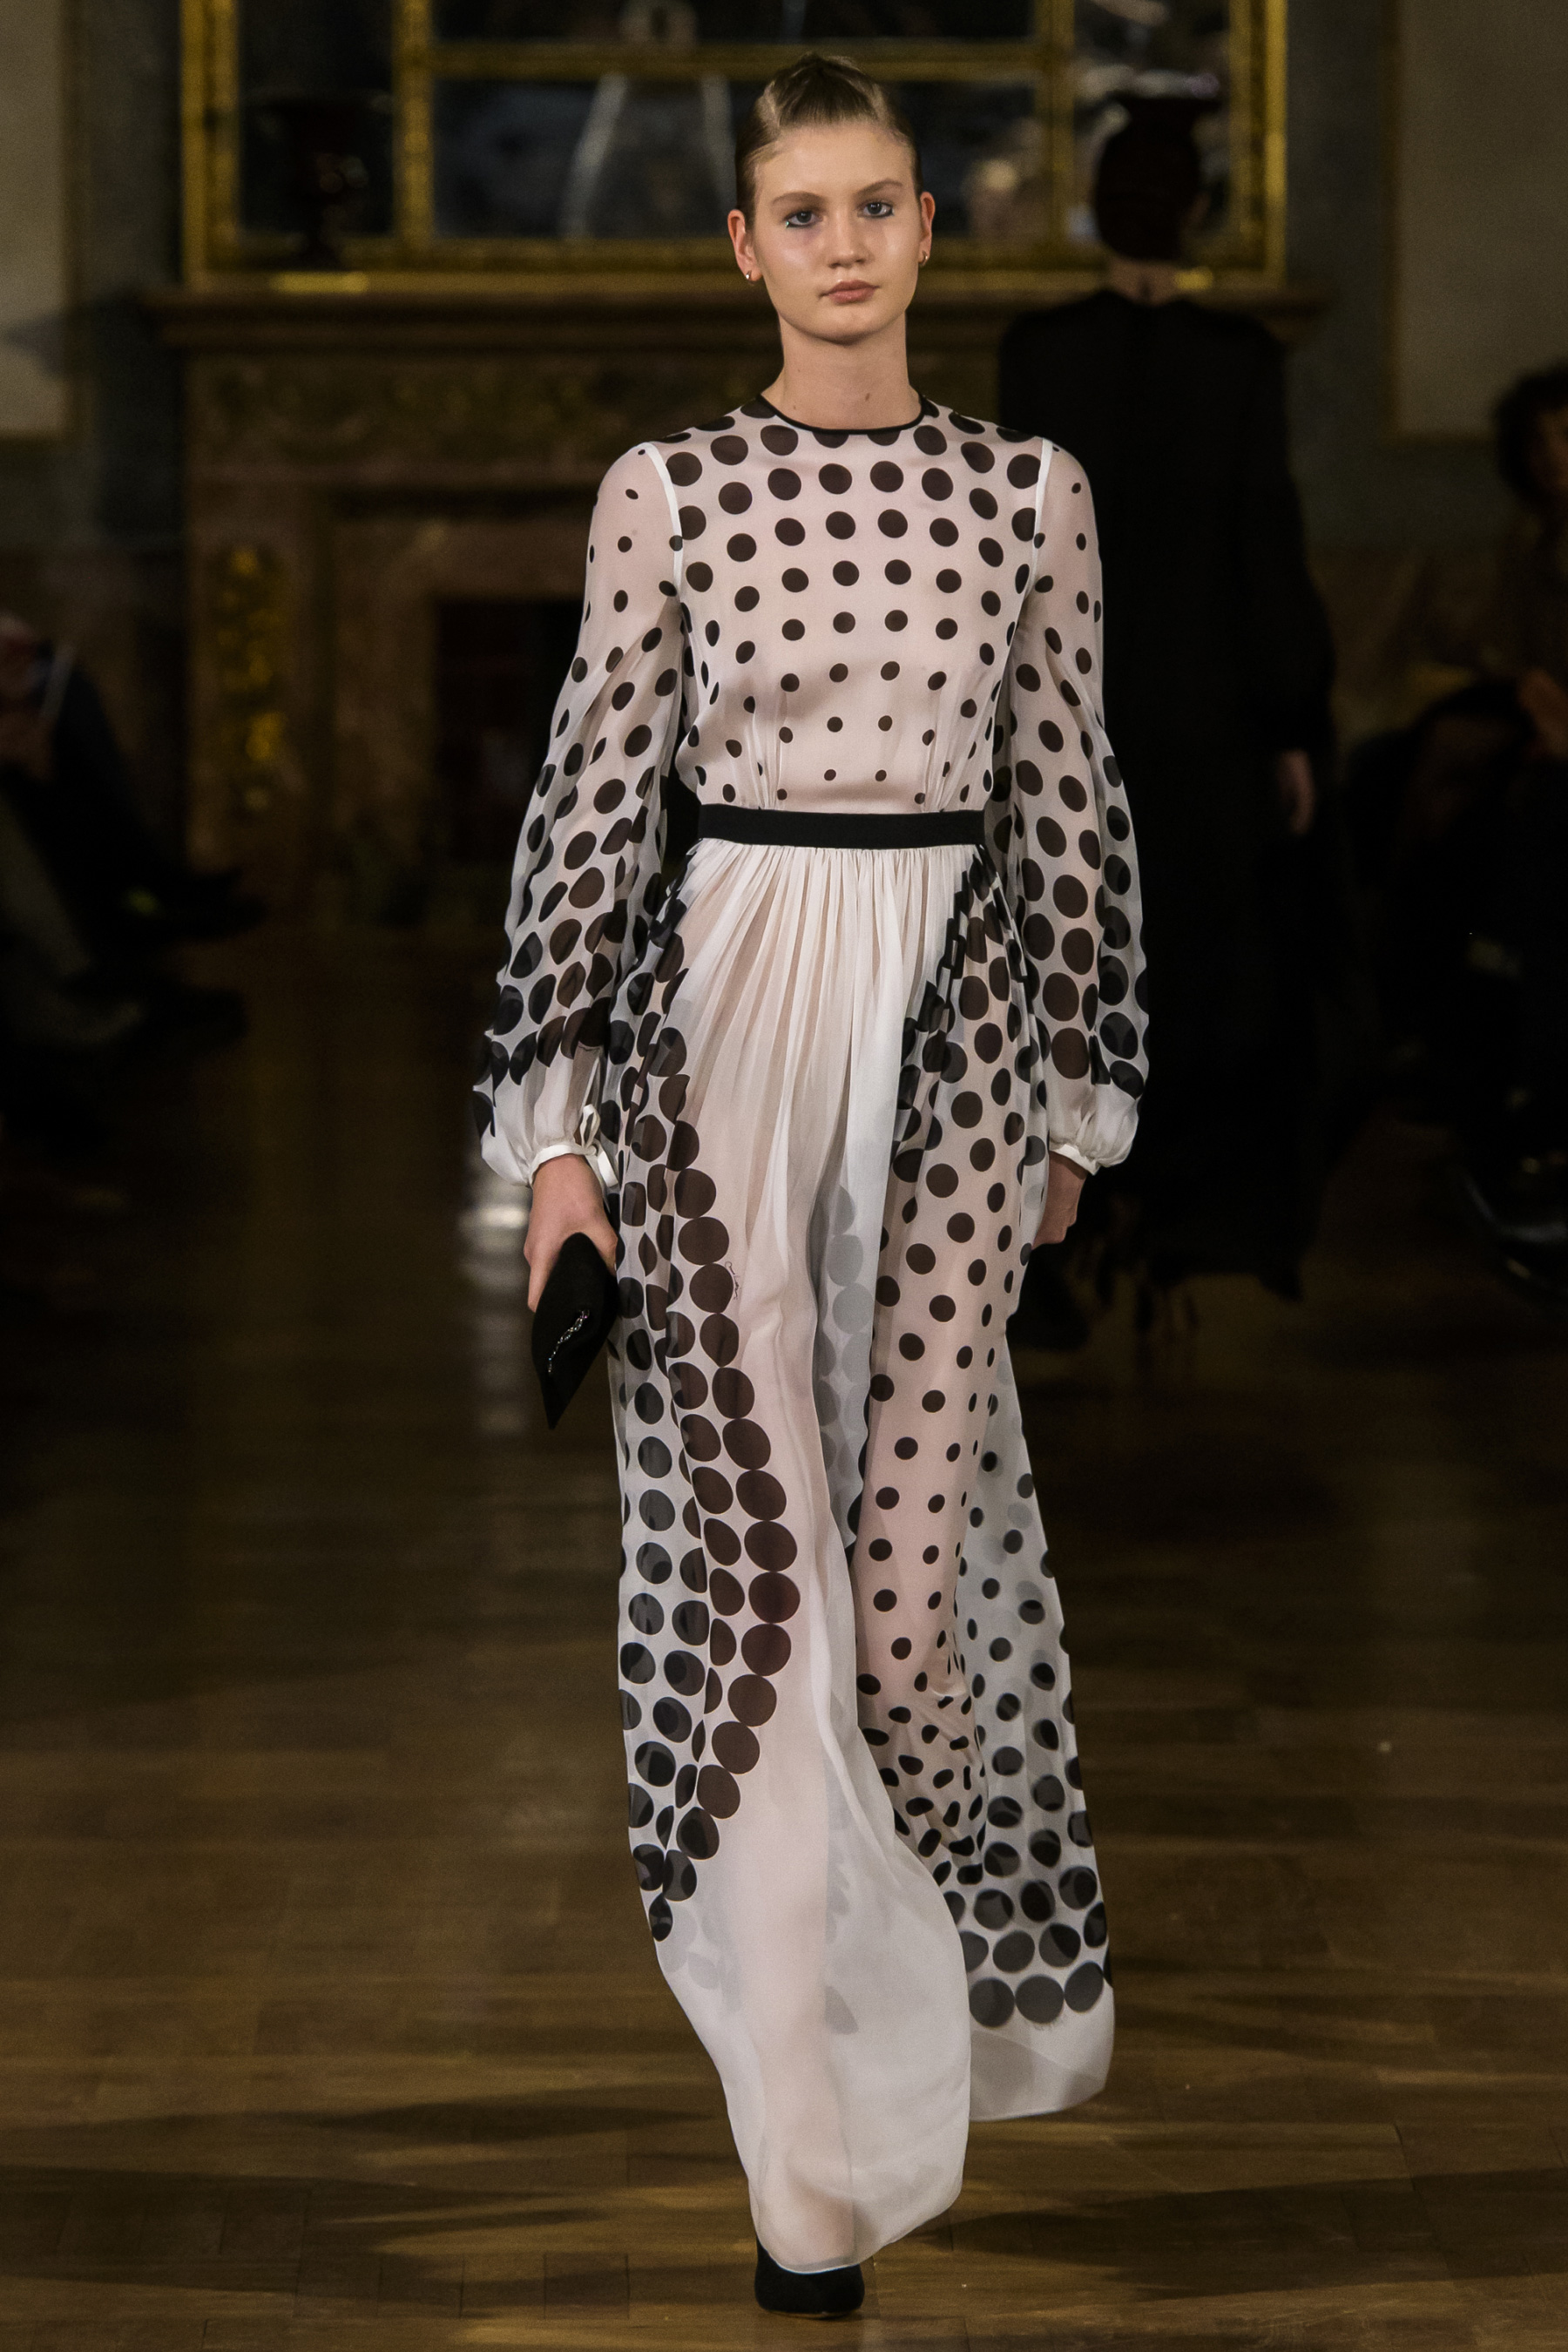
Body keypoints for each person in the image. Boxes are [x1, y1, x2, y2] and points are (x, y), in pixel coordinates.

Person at [474, 54, 1146, 2315]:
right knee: (759, 1596)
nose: (844, 244)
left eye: (879, 205)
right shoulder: (669, 489)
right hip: (721, 1040)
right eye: (803, 210)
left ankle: (898, 2026)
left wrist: (1079, 1099)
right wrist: (556, 1144)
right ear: (745, 245)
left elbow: (1071, 800)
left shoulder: (1029, 492)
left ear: (931, 228)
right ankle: (806, 2161)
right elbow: (588, 809)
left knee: (912, 1602)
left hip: (960, 1034)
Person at [998, 103, 1346, 1314]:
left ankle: (1084, 1215)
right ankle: (1161, 1218)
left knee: (1082, 952)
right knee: (1187, 963)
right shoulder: (1234, 358)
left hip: (1086, 704)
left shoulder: (1044, 351)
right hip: (1192, 710)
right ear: (1196, 210)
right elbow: (1264, 541)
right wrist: (1292, 717)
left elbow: (1012, 552)